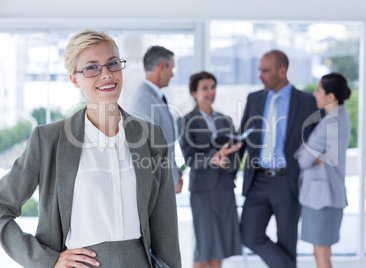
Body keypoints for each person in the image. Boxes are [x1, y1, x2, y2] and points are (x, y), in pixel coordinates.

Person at [0, 28, 181, 268]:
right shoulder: (48, 139)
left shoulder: (151, 136)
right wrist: (45, 260)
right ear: (74, 78)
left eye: (112, 63)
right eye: (92, 68)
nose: (106, 74)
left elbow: (165, 225)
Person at [238, 50, 317, 268]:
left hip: (288, 180)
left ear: (282, 71)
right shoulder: (254, 99)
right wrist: (227, 166)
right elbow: (243, 139)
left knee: (287, 243)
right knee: (248, 235)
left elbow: (321, 138)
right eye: (260, 70)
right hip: (258, 180)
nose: (260, 76)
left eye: (265, 71)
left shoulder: (308, 101)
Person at [177, 71, 242, 268]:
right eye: (205, 88)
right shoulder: (186, 121)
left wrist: (226, 162)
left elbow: (236, 156)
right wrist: (214, 159)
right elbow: (189, 158)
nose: (210, 92)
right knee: (204, 245)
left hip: (224, 188)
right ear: (194, 92)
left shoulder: (226, 120)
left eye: (213, 87)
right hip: (203, 190)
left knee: (220, 245)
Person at [294, 73, 351, 268]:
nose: (314, 94)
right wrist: (312, 153)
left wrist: (308, 150)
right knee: (320, 252)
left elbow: (304, 159)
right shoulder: (336, 117)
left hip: (323, 198)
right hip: (324, 196)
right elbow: (311, 156)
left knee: (322, 254)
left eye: (319, 91)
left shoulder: (331, 122)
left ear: (331, 97)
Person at [128, 45, 183, 193]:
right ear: (161, 67)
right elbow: (150, 146)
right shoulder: (143, 99)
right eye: (171, 68)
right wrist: (172, 178)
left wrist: (174, 173)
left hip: (162, 181)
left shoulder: (154, 96)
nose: (172, 74)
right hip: (155, 185)